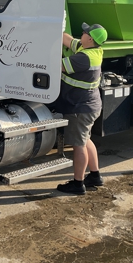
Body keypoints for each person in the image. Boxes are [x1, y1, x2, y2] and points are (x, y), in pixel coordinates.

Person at [55, 22, 107, 195]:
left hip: (80, 107)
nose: (81, 33)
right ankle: (95, 175)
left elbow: (57, 66)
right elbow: (69, 41)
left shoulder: (83, 58)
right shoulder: (93, 50)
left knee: (78, 145)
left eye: (84, 32)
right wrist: (55, 27)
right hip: (90, 105)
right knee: (85, 140)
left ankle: (78, 184)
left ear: (90, 39)